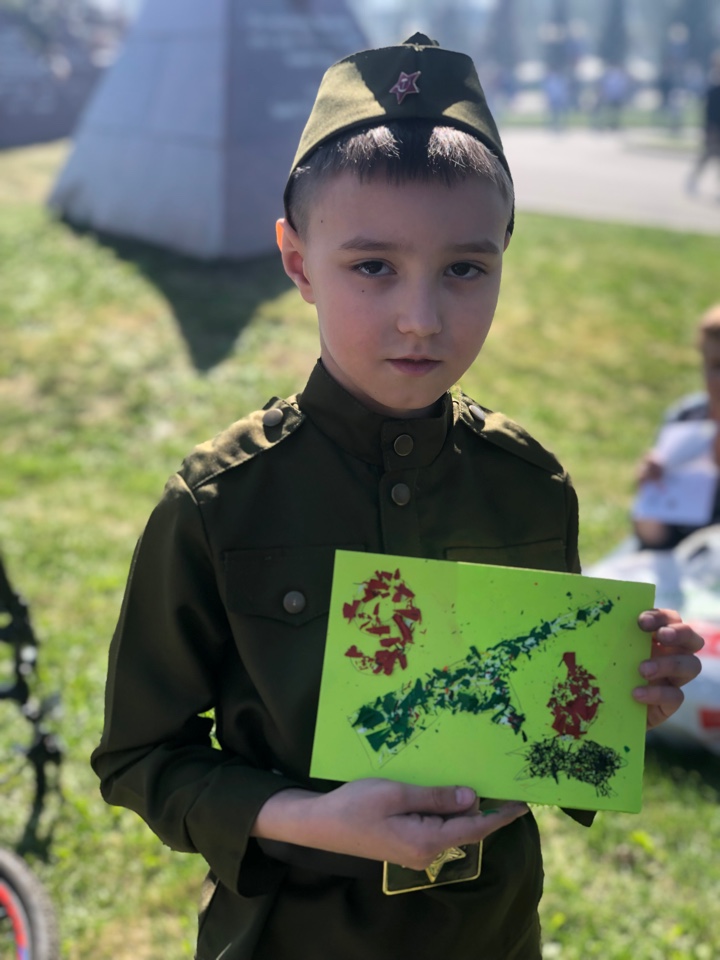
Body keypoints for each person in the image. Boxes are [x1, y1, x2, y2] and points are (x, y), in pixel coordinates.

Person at [91, 33, 704, 960]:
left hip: (490, 931)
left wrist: (623, 696)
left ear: (504, 256)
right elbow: (141, 757)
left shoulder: (529, 487)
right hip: (292, 937)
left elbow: (541, 721)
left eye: (464, 269)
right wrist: (311, 818)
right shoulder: (221, 502)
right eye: (372, 266)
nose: (421, 318)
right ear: (299, 262)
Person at [634, 303, 720, 550]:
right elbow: (653, 540)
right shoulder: (687, 419)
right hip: (674, 561)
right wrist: (651, 492)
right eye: (714, 366)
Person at [687, 51, 720, 197]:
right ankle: (693, 179)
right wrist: (709, 129)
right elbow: (709, 111)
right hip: (714, 128)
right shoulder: (713, 86)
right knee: (707, 155)